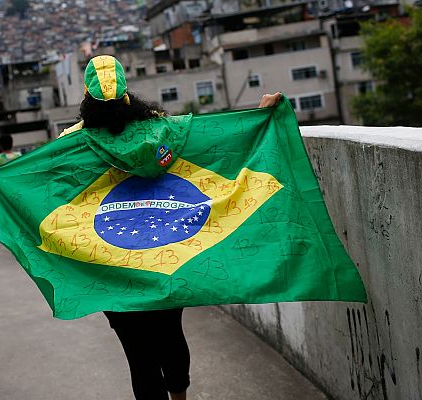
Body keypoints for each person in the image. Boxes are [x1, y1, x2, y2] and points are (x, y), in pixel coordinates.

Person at [59, 55, 282, 400]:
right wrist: (262, 116)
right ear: (126, 95)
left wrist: (2, 180)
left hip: (110, 262)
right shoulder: (164, 130)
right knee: (169, 333)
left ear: (87, 98)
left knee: (138, 353)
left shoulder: (70, 143)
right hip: (166, 253)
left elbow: (49, 194)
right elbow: (214, 149)